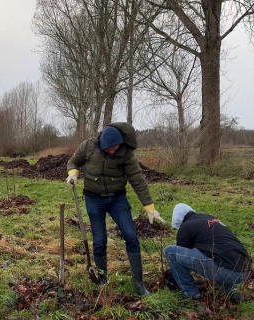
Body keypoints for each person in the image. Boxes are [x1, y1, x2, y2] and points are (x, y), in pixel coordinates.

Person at [66, 122, 165, 296]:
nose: (112, 151)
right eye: (108, 148)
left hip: (117, 199)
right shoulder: (89, 146)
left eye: (115, 147)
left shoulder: (126, 154)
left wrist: (149, 207)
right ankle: (103, 280)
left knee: (131, 237)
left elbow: (137, 179)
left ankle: (138, 282)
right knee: (99, 241)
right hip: (94, 199)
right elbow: (73, 161)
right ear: (102, 144)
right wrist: (73, 174)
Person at [164, 203, 251, 303]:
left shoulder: (186, 226)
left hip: (226, 271)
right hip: (245, 270)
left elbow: (179, 256)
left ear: (178, 220)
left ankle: (191, 294)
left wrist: (171, 279)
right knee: (217, 256)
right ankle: (232, 289)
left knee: (170, 251)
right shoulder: (210, 219)